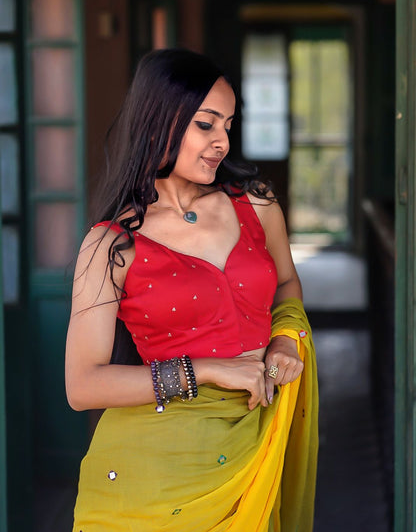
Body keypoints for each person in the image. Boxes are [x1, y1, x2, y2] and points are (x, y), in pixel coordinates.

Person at [65, 48, 318, 532]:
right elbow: (83, 386)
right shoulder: (112, 244)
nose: (222, 141)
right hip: (152, 475)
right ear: (158, 123)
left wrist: (286, 338)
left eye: (228, 124)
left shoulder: (256, 205)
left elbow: (286, 282)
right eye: (206, 124)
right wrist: (206, 370)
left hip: (253, 444)